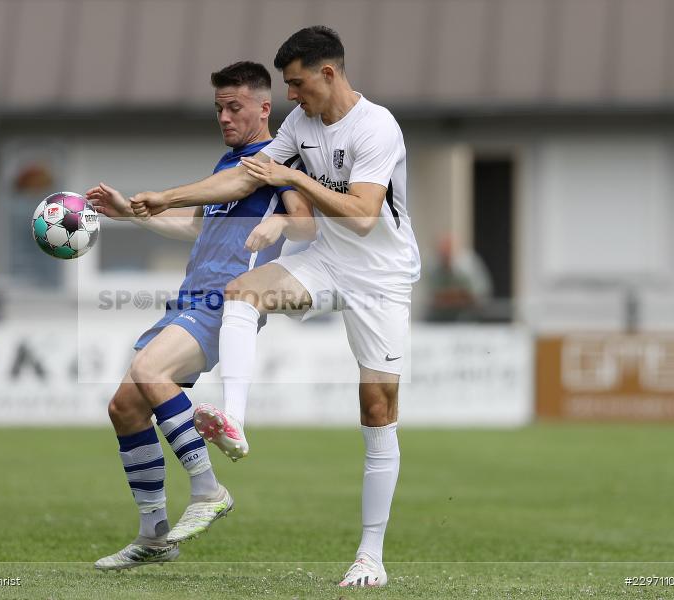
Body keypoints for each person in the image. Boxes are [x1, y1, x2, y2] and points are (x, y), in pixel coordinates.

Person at [130, 26, 421, 587]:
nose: (292, 95)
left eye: (297, 83)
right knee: (242, 292)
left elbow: (361, 215)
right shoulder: (300, 125)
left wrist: (291, 178)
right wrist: (168, 197)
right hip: (329, 262)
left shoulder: (376, 126)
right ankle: (234, 420)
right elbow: (242, 177)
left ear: (328, 73)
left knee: (378, 410)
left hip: (381, 279)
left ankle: (370, 555)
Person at [84, 61, 314, 570]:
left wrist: (279, 221)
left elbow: (304, 222)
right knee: (124, 409)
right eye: (218, 109)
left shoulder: (279, 161)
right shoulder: (227, 166)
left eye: (235, 108)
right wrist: (130, 213)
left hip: (225, 305)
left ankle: (209, 489)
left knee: (149, 372)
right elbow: (196, 227)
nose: (225, 118)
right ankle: (154, 536)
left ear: (264, 107)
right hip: (188, 301)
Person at [426, 235, 492, 321]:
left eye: (448, 253)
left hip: (468, 316)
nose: (445, 256)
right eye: (443, 254)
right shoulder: (433, 268)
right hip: (440, 318)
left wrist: (454, 297)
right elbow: (431, 297)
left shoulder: (469, 266)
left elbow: (480, 295)